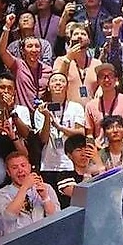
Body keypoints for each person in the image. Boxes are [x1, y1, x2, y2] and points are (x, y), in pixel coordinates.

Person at [34, 73, 85, 208]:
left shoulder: (76, 107)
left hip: (69, 165)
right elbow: (43, 139)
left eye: (61, 81)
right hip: (48, 165)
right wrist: (47, 117)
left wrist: (60, 127)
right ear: (48, 87)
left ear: (67, 86)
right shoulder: (41, 110)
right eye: (54, 80)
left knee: (70, 206)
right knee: (50, 206)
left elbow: (80, 132)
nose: (57, 83)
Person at [0, 152, 60, 236]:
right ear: (8, 172)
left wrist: (45, 198)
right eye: (14, 167)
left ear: (29, 167)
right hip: (18, 241)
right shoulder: (0, 194)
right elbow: (9, 217)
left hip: (44, 237)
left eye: (23, 165)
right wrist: (24, 188)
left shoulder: (46, 187)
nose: (20, 170)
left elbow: (56, 217)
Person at [84, 63, 123, 145]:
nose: (106, 80)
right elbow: (89, 134)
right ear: (98, 81)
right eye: (102, 76)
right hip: (101, 149)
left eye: (110, 76)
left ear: (116, 79)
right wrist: (96, 145)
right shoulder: (90, 106)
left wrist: (121, 143)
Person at [58, 135, 106, 199]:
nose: (83, 154)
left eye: (86, 150)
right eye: (79, 150)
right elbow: (81, 195)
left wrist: (99, 162)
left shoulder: (97, 172)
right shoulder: (64, 176)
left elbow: (108, 190)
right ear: (69, 155)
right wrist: (87, 173)